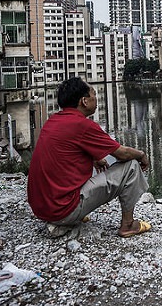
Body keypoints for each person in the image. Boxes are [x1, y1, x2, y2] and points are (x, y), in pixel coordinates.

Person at [27, 77, 151, 238]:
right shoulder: (82, 125)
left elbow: (66, 151)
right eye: (94, 94)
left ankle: (72, 214)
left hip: (42, 209)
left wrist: (93, 158)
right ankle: (128, 225)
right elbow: (123, 153)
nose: (96, 98)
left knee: (101, 165)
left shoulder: (54, 120)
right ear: (84, 101)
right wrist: (142, 155)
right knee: (132, 165)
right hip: (62, 211)